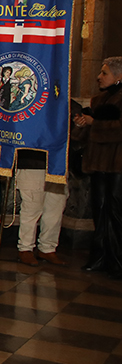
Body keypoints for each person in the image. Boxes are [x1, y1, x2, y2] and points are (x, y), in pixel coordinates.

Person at [74, 56, 122, 278]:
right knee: (100, 210)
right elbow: (87, 135)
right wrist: (82, 125)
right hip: (98, 164)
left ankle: (117, 260)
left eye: (104, 73)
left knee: (116, 212)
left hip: (117, 165)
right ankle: (100, 256)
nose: (99, 77)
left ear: (118, 76)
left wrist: (97, 124)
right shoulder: (98, 100)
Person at [14, 149, 67, 266]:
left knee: (55, 208)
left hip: (59, 162)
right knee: (31, 209)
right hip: (31, 161)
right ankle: (25, 248)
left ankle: (47, 248)